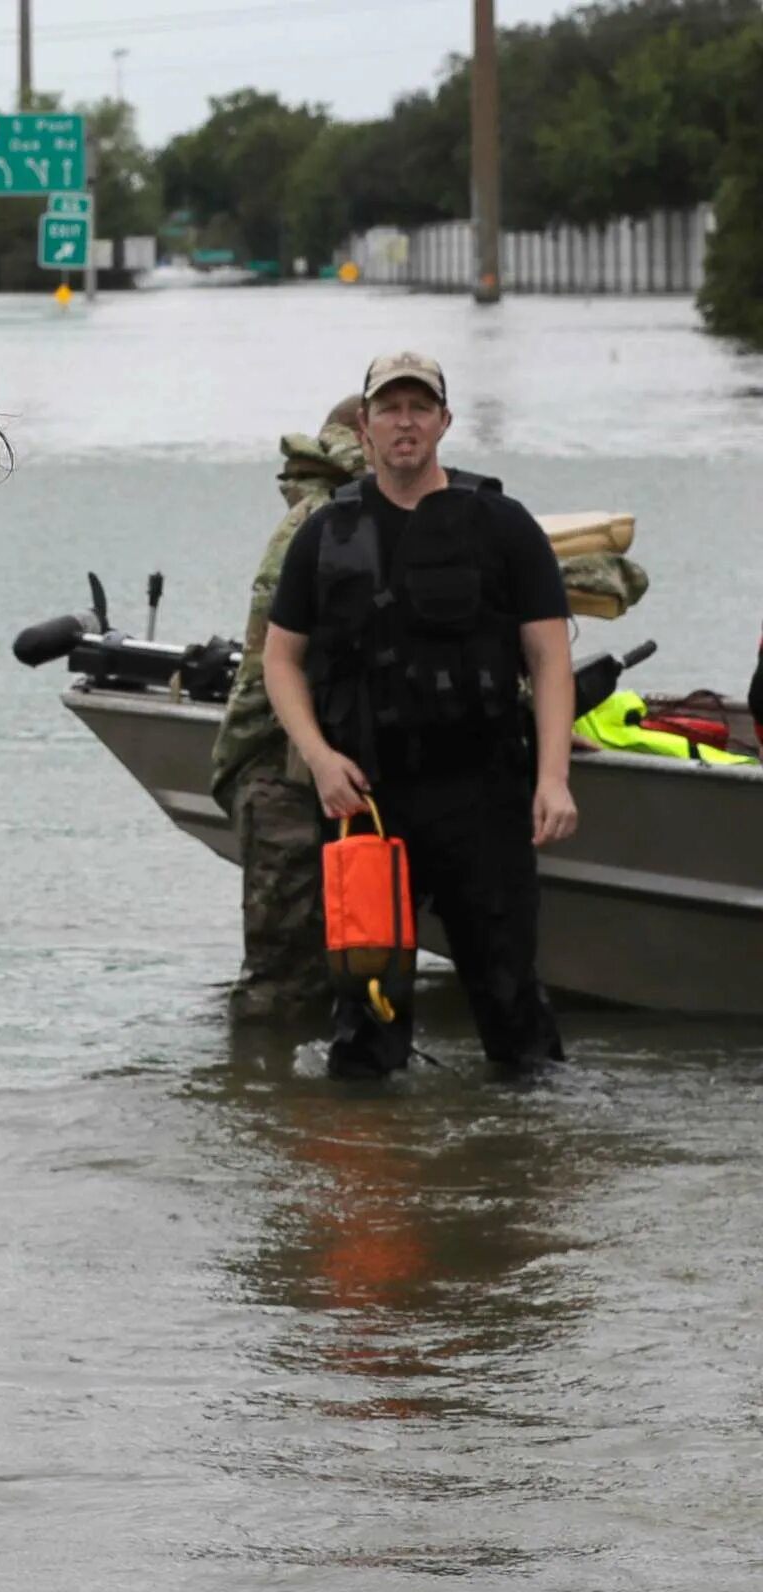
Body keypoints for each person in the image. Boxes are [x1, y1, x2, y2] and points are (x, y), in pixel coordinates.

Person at [261, 351, 576, 1078]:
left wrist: (552, 779)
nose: (405, 422)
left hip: (484, 793)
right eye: (389, 409)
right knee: (366, 1009)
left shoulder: (502, 525)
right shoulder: (324, 534)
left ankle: (526, 1166)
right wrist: (317, 757)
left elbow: (550, 659)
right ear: (365, 428)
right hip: (366, 800)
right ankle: (371, 1172)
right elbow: (281, 661)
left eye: (419, 407)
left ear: (443, 421)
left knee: (511, 1003)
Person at [207, 396, 366, 1021]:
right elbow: (271, 664)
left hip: (318, 770)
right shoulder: (319, 524)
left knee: (343, 965)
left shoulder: (343, 517)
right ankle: (266, 1102)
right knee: (284, 982)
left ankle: (291, 1106)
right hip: (283, 773)